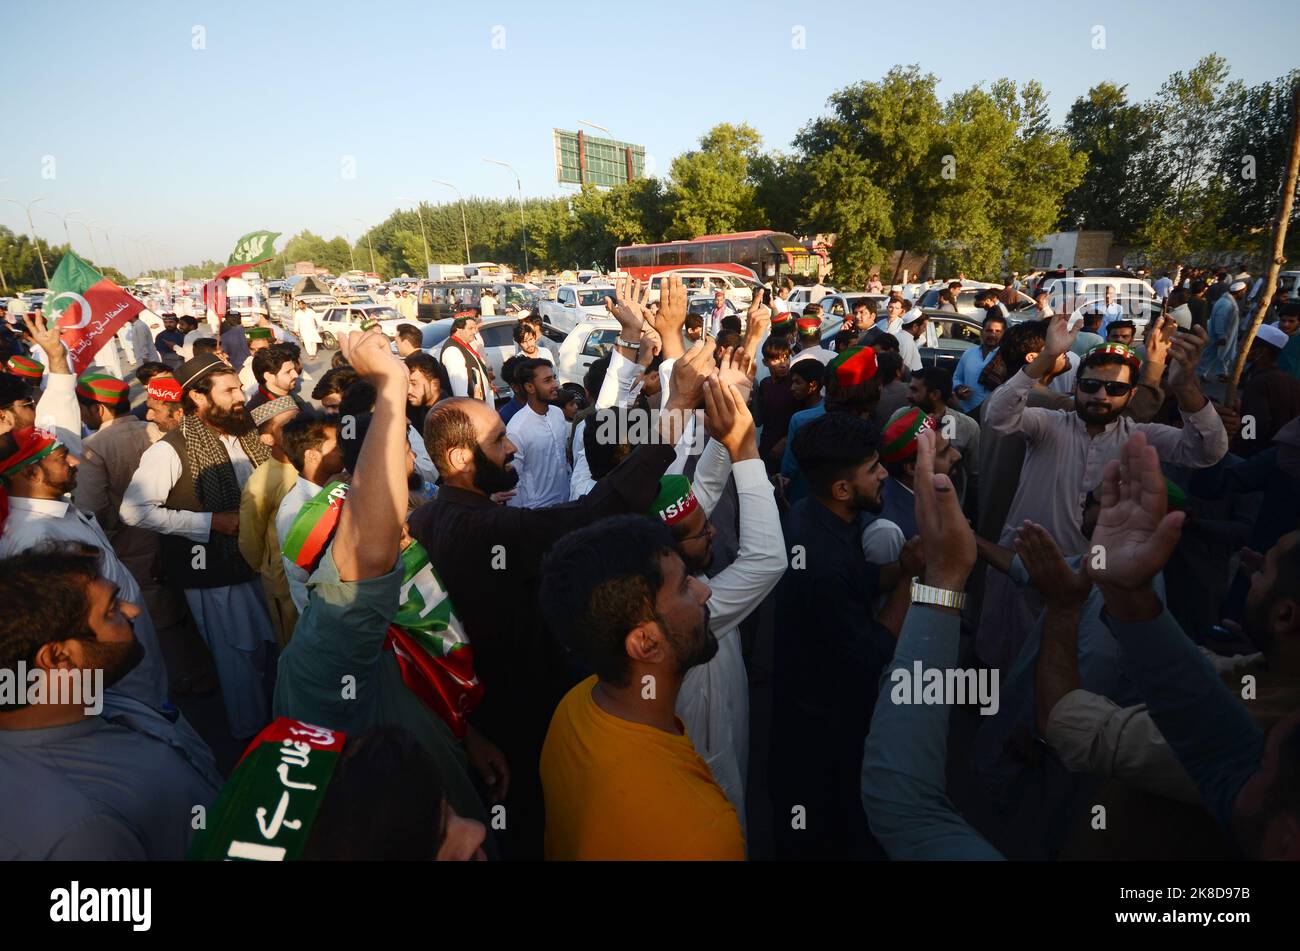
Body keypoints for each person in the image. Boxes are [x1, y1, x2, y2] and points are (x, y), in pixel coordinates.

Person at [409, 336, 715, 858]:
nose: (513, 448)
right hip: (521, 718)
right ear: (460, 456)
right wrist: (677, 410)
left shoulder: (438, 516)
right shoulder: (484, 530)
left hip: (489, 718)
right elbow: (591, 514)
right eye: (500, 441)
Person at [271, 328, 489, 837]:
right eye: (395, 535)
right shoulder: (324, 662)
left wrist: (468, 738)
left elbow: (423, 696)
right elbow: (368, 552)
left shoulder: (394, 632)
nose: (406, 533)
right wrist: (391, 387)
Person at [978, 316, 1228, 668]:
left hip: (1090, 583)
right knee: (1006, 667)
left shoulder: (1139, 438)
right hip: (1021, 571)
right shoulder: (1050, 424)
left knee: (1069, 672)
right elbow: (999, 415)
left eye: (1114, 389)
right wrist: (1048, 356)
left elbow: (1207, 450)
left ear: (1132, 394)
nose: (1100, 396)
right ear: (1076, 386)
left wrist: (1185, 385)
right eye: (1091, 385)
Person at [537, 514, 745, 860]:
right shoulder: (704, 835)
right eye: (684, 587)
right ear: (645, 644)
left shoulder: (572, 708)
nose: (704, 592)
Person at [0, 544, 223, 859]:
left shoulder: (95, 699)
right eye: (111, 610)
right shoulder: (81, 829)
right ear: (58, 657)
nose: (132, 611)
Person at [644, 362, 784, 831]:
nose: (714, 532)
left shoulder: (663, 553)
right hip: (704, 776)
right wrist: (745, 452)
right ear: (668, 554)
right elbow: (767, 559)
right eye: (701, 533)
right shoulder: (687, 611)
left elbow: (697, 494)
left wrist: (731, 415)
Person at [770, 412, 913, 859]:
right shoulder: (821, 561)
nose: (885, 474)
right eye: (873, 469)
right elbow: (871, 651)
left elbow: (863, 580)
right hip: (823, 731)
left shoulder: (820, 515)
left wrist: (901, 569)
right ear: (843, 489)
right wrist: (916, 578)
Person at [120, 354, 279, 741]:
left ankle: (281, 731)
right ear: (198, 398)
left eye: (240, 387)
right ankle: (252, 747)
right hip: (216, 575)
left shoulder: (247, 437)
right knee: (241, 664)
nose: (241, 396)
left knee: (272, 653)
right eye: (230, 390)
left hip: (264, 564)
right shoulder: (169, 451)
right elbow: (133, 510)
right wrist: (210, 523)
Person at [0, 425, 169, 708]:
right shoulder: (34, 539)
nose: (75, 462)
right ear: (31, 473)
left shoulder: (58, 508)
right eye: (62, 457)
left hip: (134, 649)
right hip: (115, 678)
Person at [237, 397, 305, 648]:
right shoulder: (262, 481)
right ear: (267, 439)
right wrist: (270, 568)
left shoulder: (319, 462)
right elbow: (250, 540)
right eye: (288, 424)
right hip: (284, 580)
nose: (299, 428)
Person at [859, 405, 961, 565]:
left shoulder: (932, 494)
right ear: (912, 467)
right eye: (944, 452)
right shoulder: (887, 530)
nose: (957, 455)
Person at [275, 411, 345, 614]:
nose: (343, 451)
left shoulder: (344, 483)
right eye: (336, 446)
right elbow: (303, 573)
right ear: (312, 455)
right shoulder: (295, 510)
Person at [505, 358, 571, 509]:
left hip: (565, 501)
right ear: (530, 387)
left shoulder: (557, 414)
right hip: (536, 510)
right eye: (547, 380)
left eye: (554, 378)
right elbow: (514, 481)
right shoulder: (517, 429)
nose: (555, 384)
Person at [906, 367, 978, 505]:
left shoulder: (967, 427)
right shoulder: (900, 418)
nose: (908, 395)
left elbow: (974, 476)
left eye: (914, 390)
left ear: (934, 395)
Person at [1233, 324, 1300, 457]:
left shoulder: (1259, 383)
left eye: (1245, 344)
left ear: (1260, 352)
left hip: (1261, 455)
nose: (1240, 347)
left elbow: (1251, 426)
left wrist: (1239, 448)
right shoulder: (1289, 380)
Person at [752, 336, 796, 473]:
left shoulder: (796, 383)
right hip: (767, 446)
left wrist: (785, 441)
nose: (783, 364)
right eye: (776, 359)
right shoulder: (765, 384)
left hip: (791, 449)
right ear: (765, 362)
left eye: (786, 357)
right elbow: (758, 420)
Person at [952, 311, 1005, 416]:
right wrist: (958, 388)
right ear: (982, 332)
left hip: (993, 415)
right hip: (965, 411)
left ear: (1004, 334)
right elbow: (957, 378)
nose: (992, 335)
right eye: (989, 330)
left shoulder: (1006, 357)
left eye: (997, 331)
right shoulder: (969, 353)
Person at [1199, 279, 1248, 381]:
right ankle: (1200, 374)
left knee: (1223, 354)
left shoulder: (1227, 301)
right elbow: (1220, 320)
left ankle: (1221, 372)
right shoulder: (1226, 303)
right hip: (1220, 335)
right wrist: (1221, 335)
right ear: (1239, 292)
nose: (1244, 294)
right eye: (1244, 292)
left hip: (1225, 334)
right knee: (1211, 354)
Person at [440, 314, 493, 404]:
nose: (474, 332)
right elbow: (460, 392)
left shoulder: (465, 344)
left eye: (475, 328)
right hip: (470, 407)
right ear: (458, 329)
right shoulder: (453, 350)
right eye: (470, 328)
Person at [246, 342, 302, 414]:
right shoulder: (264, 411)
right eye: (288, 372)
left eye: (293, 369)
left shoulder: (285, 394)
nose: (295, 375)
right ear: (268, 376)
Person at [406, 351, 448, 435]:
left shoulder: (448, 418)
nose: (408, 390)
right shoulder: (420, 405)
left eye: (414, 384)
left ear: (435, 385)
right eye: (407, 384)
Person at [892, 307, 925, 373]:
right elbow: (904, 370)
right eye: (923, 327)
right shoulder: (907, 342)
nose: (923, 330)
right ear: (915, 327)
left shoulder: (900, 336)